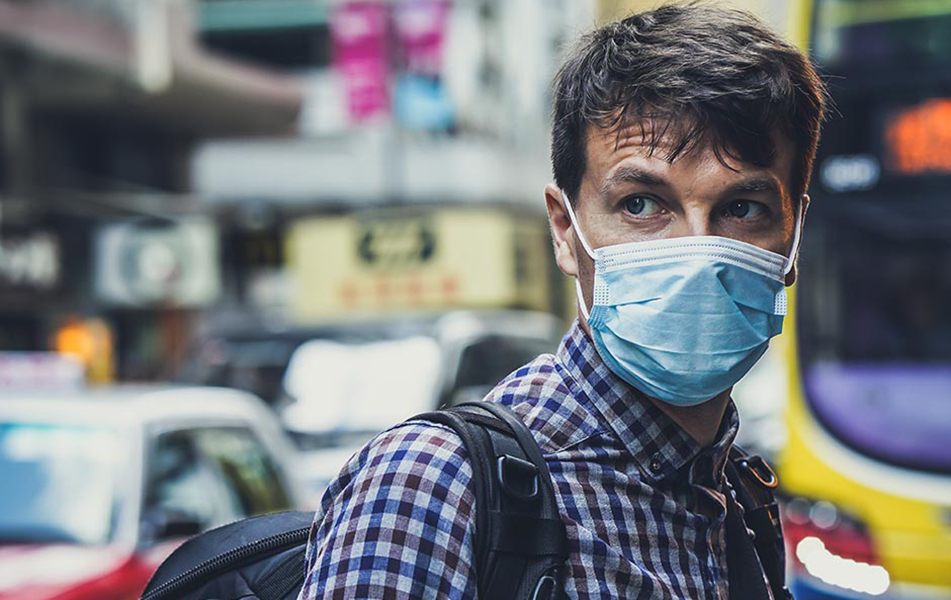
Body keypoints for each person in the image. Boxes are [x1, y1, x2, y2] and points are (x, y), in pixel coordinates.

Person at [297, 4, 827, 599]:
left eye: (742, 209)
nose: (697, 253)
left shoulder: (739, 501)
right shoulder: (433, 485)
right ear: (564, 229)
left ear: (793, 234)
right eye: (642, 205)